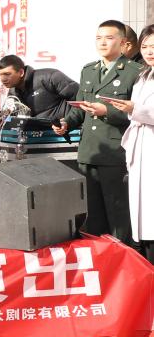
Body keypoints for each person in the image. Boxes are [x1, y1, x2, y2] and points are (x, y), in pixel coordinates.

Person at [54, 20, 140, 245]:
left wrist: (107, 111)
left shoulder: (134, 72)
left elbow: (139, 114)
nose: (102, 42)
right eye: (99, 38)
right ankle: (98, 256)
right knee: (91, 214)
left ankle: (123, 256)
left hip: (115, 152)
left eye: (109, 38)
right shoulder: (89, 70)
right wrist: (66, 123)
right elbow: (81, 107)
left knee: (118, 213)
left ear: (123, 43)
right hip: (89, 151)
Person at [110, 24, 154, 260]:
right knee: (141, 208)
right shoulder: (143, 76)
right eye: (145, 46)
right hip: (140, 144)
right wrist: (130, 109)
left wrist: (134, 109)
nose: (149, 51)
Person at [0, 54, 78, 122]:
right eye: (0, 74)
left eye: (7, 74)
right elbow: (9, 120)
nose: (2, 79)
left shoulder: (49, 77)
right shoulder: (13, 92)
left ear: (21, 72)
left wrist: (69, 121)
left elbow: (80, 98)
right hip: (37, 135)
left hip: (66, 132)